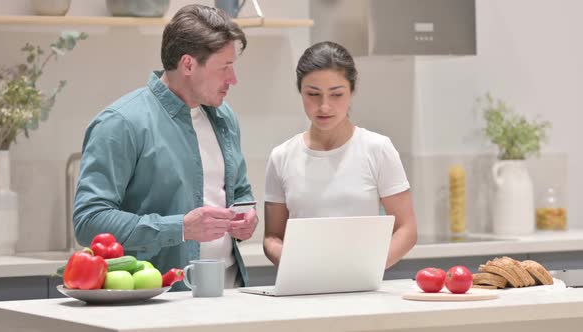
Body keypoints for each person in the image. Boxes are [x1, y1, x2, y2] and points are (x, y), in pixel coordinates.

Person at [73, 4, 258, 290]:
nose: (233, 79)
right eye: (225, 67)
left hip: (231, 292)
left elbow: (240, 190)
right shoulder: (120, 123)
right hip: (158, 300)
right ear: (188, 64)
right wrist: (181, 228)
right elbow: (89, 221)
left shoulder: (224, 117)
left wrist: (246, 216)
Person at [263, 41, 417, 268]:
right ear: (300, 91)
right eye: (313, 94)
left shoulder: (377, 149)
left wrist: (366, 267)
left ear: (352, 91)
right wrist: (293, 263)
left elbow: (407, 229)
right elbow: (272, 237)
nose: (324, 106)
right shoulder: (282, 156)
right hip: (303, 290)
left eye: (336, 94)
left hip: (362, 290)